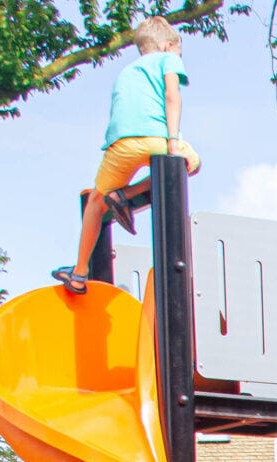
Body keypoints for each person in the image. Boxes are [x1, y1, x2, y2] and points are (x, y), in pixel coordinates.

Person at [55, 19, 198, 294]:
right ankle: (128, 195)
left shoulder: (127, 71)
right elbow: (172, 96)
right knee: (190, 163)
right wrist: (172, 140)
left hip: (119, 145)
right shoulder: (167, 59)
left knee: (96, 201)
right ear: (168, 45)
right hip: (155, 137)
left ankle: (80, 272)